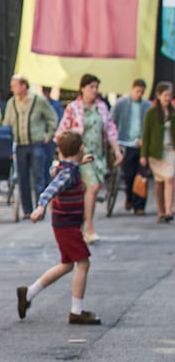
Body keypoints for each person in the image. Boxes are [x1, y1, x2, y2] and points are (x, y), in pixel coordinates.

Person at [16, 131, 101, 325]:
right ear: (81, 149)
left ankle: (28, 293)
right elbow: (51, 189)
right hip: (67, 226)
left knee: (67, 264)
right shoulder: (68, 173)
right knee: (83, 263)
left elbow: (60, 173)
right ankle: (76, 311)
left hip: (64, 224)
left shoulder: (65, 168)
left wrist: (79, 162)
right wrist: (40, 206)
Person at [57, 73, 122, 244]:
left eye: (96, 87)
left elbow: (110, 130)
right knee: (92, 187)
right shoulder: (73, 108)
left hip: (97, 156)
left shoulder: (101, 107)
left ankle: (82, 227)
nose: (94, 91)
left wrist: (117, 151)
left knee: (89, 192)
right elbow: (61, 132)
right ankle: (90, 228)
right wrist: (63, 155)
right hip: (80, 155)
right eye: (91, 87)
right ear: (82, 89)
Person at [3, 74, 59, 214]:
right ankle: (27, 210)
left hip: (36, 143)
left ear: (23, 86)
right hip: (20, 145)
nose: (12, 88)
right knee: (22, 178)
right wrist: (7, 145)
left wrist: (49, 135)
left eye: (15, 85)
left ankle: (40, 208)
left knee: (38, 177)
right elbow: (6, 124)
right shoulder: (12, 103)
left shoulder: (38, 101)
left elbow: (53, 118)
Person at [110, 79, 151, 215]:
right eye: (137, 91)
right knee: (128, 175)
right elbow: (111, 121)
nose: (139, 94)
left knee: (142, 176)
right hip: (125, 143)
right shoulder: (121, 104)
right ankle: (129, 196)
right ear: (132, 89)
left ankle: (139, 205)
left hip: (141, 144)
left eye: (142, 92)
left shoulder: (147, 106)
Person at [140, 81, 175, 223]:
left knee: (169, 179)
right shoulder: (151, 113)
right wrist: (143, 155)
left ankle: (168, 210)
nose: (167, 98)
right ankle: (161, 211)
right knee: (159, 182)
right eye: (165, 95)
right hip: (156, 152)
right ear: (159, 95)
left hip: (170, 151)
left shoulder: (173, 113)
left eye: (170, 95)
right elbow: (146, 134)